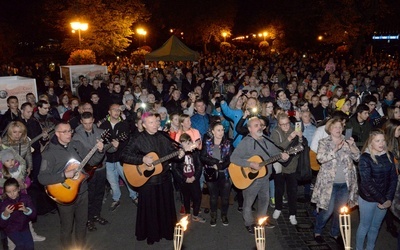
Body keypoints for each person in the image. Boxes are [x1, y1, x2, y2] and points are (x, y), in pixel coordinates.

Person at [120, 112, 185, 245]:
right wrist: (141, 159)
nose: (155, 124)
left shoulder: (163, 136)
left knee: (165, 207)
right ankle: (151, 234)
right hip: (147, 181)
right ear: (144, 125)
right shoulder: (137, 138)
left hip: (165, 178)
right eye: (151, 122)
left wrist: (180, 154)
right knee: (150, 209)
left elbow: (171, 154)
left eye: (156, 122)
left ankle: (166, 232)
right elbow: (124, 155)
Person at [38, 122, 104, 249]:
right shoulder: (49, 153)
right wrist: (64, 175)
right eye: (65, 132)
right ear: (57, 134)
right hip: (64, 196)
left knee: (82, 224)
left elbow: (92, 161)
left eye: (70, 131)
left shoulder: (76, 145)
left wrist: (100, 151)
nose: (69, 134)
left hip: (82, 192)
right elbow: (42, 178)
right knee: (67, 227)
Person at [230, 117, 289, 234]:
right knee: (249, 202)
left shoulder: (267, 140)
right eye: (256, 125)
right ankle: (249, 223)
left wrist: (283, 157)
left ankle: (261, 220)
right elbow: (233, 158)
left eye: (260, 125)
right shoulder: (246, 142)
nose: (259, 127)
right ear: (249, 128)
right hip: (250, 178)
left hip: (265, 177)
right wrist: (250, 163)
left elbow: (275, 154)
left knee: (265, 200)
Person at [312, 118, 360, 244]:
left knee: (340, 211)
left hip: (345, 183)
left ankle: (334, 233)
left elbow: (357, 157)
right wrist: (334, 150)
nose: (338, 129)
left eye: (340, 127)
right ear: (330, 129)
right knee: (327, 211)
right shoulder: (324, 142)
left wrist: (352, 146)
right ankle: (318, 231)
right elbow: (320, 158)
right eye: (335, 127)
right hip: (329, 184)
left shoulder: (347, 140)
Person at [356, 129, 397, 250]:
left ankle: (370, 248)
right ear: (370, 143)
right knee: (365, 226)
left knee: (375, 227)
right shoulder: (365, 158)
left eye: (383, 140)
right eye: (377, 141)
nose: (381, 143)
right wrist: (383, 199)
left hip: (384, 199)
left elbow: (393, 179)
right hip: (368, 199)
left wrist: (388, 198)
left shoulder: (389, 155)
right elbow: (366, 182)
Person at [72, 112, 111, 232]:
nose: (88, 126)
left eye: (90, 123)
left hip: (101, 167)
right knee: (89, 195)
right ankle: (88, 219)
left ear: (93, 120)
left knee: (100, 193)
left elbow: (110, 148)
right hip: (87, 170)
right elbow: (76, 154)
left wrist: (114, 145)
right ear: (81, 122)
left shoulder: (100, 132)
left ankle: (96, 215)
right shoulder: (76, 136)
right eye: (85, 123)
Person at [99, 103, 137, 211]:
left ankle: (134, 196)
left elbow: (127, 141)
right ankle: (116, 198)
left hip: (121, 158)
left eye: (118, 110)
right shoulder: (103, 126)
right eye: (114, 110)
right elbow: (101, 141)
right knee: (112, 181)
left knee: (127, 178)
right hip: (108, 159)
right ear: (109, 112)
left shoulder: (124, 124)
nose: (116, 112)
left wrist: (119, 145)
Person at [270, 113, 302, 225]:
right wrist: (289, 138)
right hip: (279, 166)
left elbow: (301, 145)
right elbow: (277, 148)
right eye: (283, 125)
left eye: (287, 124)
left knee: (292, 191)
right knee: (279, 190)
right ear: (279, 124)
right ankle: (278, 208)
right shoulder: (275, 133)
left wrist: (300, 137)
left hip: (292, 166)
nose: (286, 126)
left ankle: (292, 214)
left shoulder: (294, 130)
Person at [200, 122, 233, 227]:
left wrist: (220, 166)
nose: (221, 132)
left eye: (222, 130)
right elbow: (203, 157)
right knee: (213, 196)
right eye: (218, 130)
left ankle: (224, 215)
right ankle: (213, 215)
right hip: (211, 174)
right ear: (213, 132)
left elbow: (230, 159)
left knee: (225, 197)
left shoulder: (228, 143)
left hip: (225, 174)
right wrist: (214, 162)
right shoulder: (207, 143)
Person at [171, 133, 205, 223]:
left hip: (194, 179)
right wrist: (184, 179)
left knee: (197, 197)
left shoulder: (195, 152)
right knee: (186, 197)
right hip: (184, 180)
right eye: (184, 142)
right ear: (181, 143)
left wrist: (195, 177)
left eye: (188, 141)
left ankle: (195, 215)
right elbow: (175, 169)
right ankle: (188, 213)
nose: (187, 144)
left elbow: (199, 165)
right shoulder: (178, 153)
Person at [0, 178, 36, 250]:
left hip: (24, 227)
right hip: (11, 229)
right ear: (5, 192)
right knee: (21, 245)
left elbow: (34, 216)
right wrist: (5, 214)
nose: (12, 194)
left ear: (19, 189)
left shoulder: (25, 198)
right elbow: (1, 225)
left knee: (30, 246)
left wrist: (25, 210)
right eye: (9, 192)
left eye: (14, 190)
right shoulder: (4, 204)